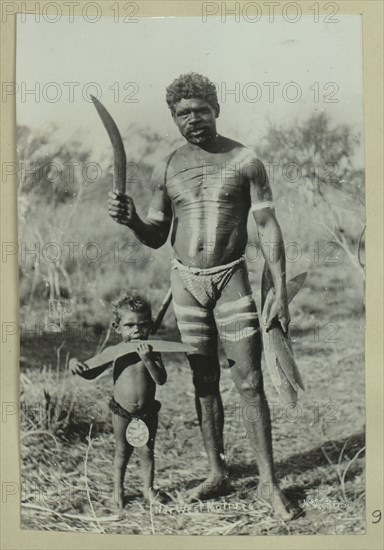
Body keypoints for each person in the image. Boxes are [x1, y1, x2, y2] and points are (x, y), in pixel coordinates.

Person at [108, 73, 295, 518]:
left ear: (217, 108)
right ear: (173, 118)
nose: (193, 119)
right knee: (203, 380)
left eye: (201, 110)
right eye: (183, 113)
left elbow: (267, 226)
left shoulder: (245, 159)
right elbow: (156, 236)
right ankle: (217, 472)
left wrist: (281, 288)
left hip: (230, 277)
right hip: (185, 283)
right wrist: (133, 220)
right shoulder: (167, 166)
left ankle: (268, 484)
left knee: (249, 381)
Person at [69, 292, 167, 510]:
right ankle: (118, 491)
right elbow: (90, 373)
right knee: (122, 452)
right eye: (130, 325)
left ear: (150, 326)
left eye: (142, 325)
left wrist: (148, 360)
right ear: (117, 327)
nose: (136, 330)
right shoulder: (115, 352)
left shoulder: (153, 351)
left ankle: (148, 490)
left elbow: (161, 380)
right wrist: (76, 364)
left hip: (147, 412)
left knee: (147, 451)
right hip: (121, 412)